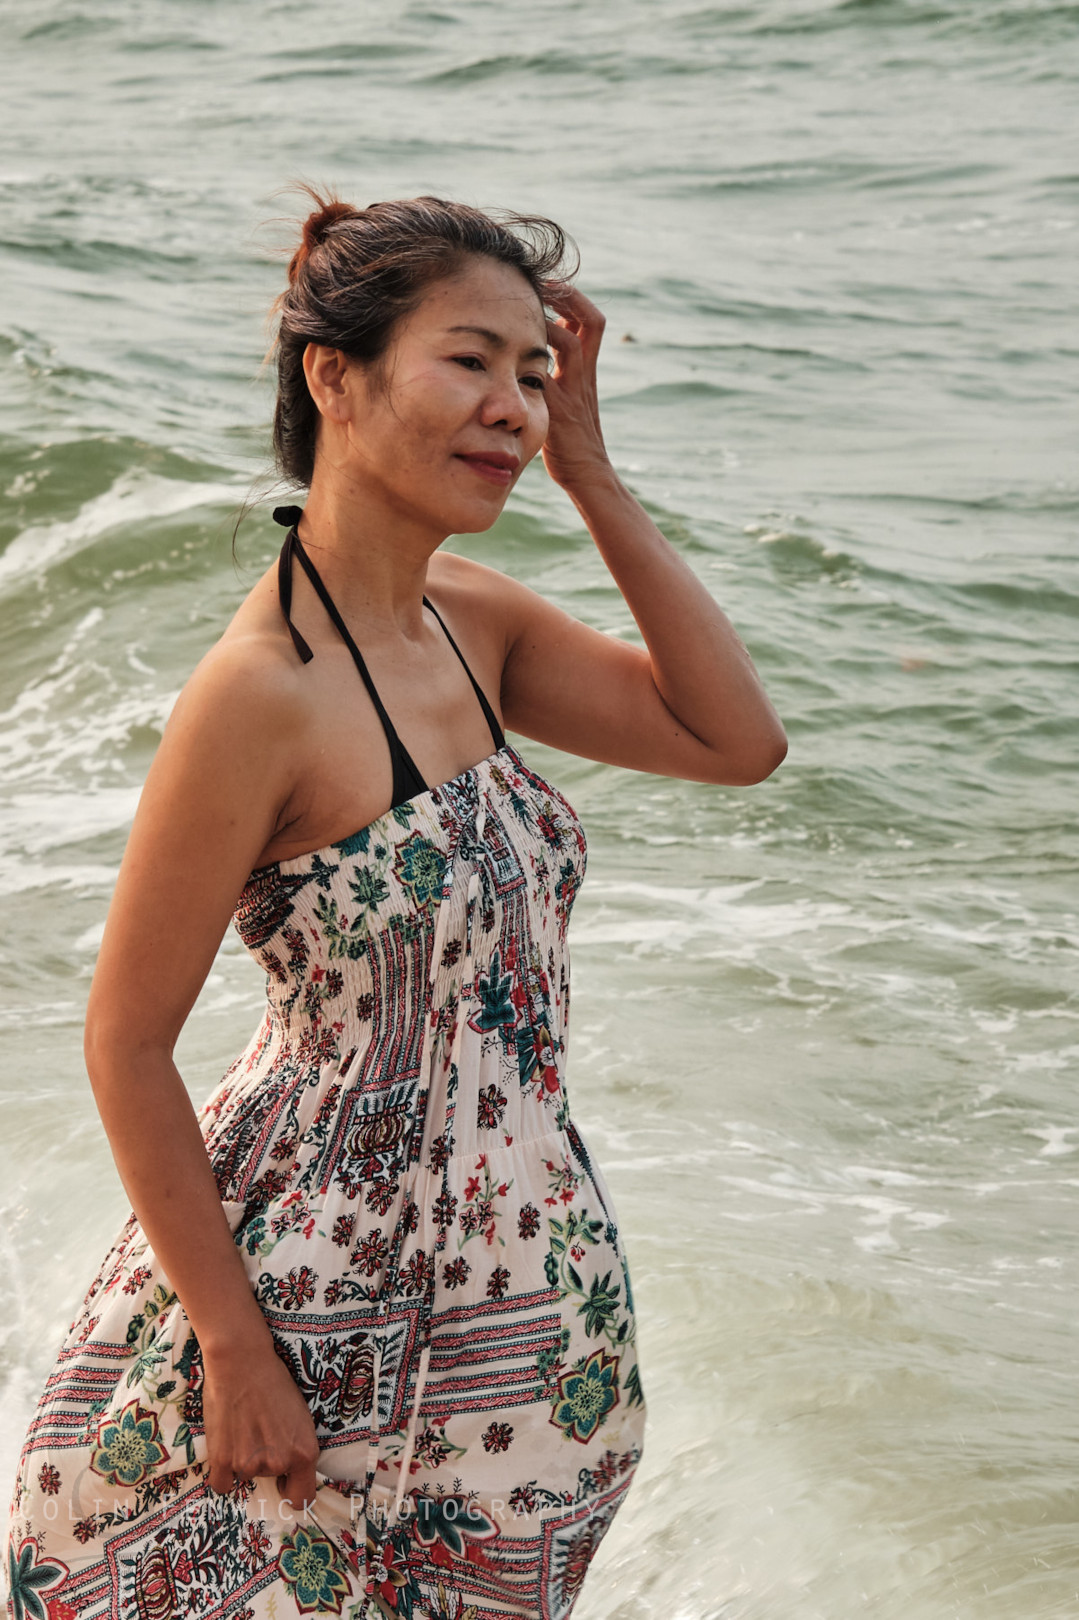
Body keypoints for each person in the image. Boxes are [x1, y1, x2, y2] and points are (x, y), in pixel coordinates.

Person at [4, 192, 787, 1620]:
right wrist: (234, 1351)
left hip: (518, 1290)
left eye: (535, 376)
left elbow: (737, 742)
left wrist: (596, 477)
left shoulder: (470, 623)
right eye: (470, 361)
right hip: (300, 1295)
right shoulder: (259, 694)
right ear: (334, 377)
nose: (512, 408)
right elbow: (124, 1041)